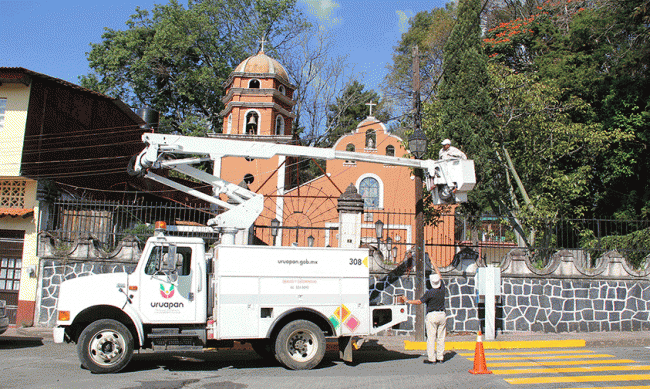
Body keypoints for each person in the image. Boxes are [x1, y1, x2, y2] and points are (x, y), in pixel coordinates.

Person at [404, 261, 447, 364]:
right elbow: (439, 275)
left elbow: (419, 301)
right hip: (442, 315)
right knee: (441, 337)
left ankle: (432, 359)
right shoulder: (442, 288)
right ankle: (440, 357)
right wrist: (434, 264)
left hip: (432, 315)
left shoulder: (430, 293)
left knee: (431, 338)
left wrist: (407, 300)